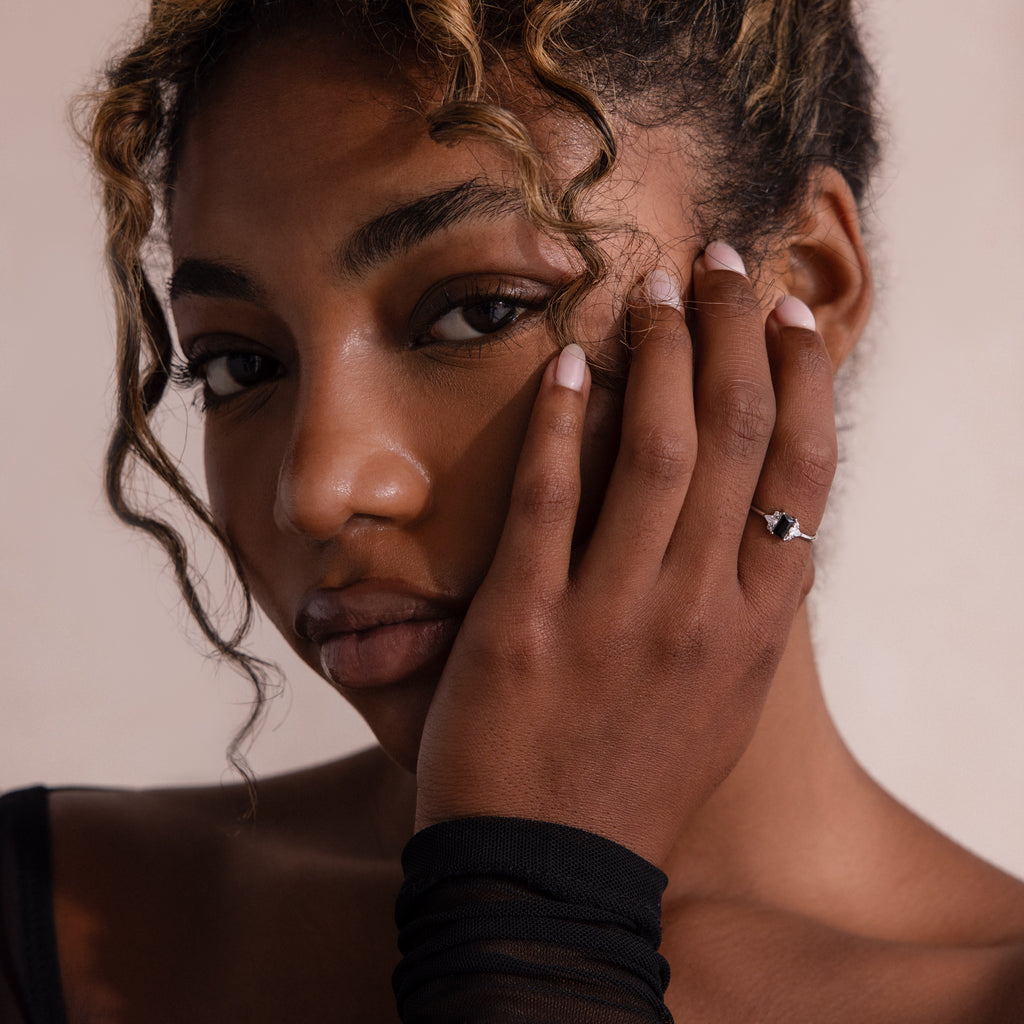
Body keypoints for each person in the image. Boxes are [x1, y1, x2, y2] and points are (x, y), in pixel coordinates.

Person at [2, 0, 1022, 1020]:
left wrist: (542, 909)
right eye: (239, 365)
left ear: (804, 289)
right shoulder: (56, 918)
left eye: (478, 311)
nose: (316, 489)